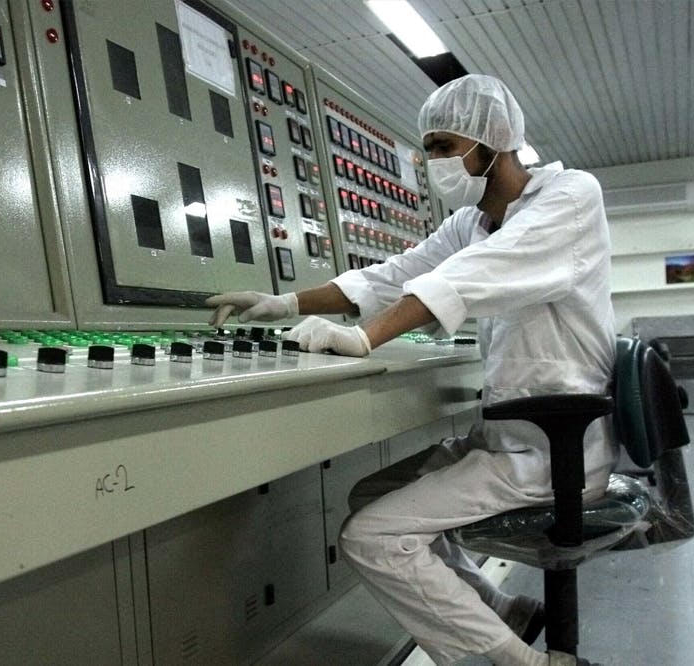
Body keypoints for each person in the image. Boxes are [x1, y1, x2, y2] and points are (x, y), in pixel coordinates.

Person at [205, 74, 614, 666]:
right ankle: (503, 612)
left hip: (558, 445)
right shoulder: (471, 223)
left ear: (494, 141)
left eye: (446, 147)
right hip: (512, 434)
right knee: (370, 492)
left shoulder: (570, 197)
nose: (436, 164)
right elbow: (390, 277)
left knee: (369, 537)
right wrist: (283, 304)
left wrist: (363, 339)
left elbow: (466, 278)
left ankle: (525, 663)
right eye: (431, 150)